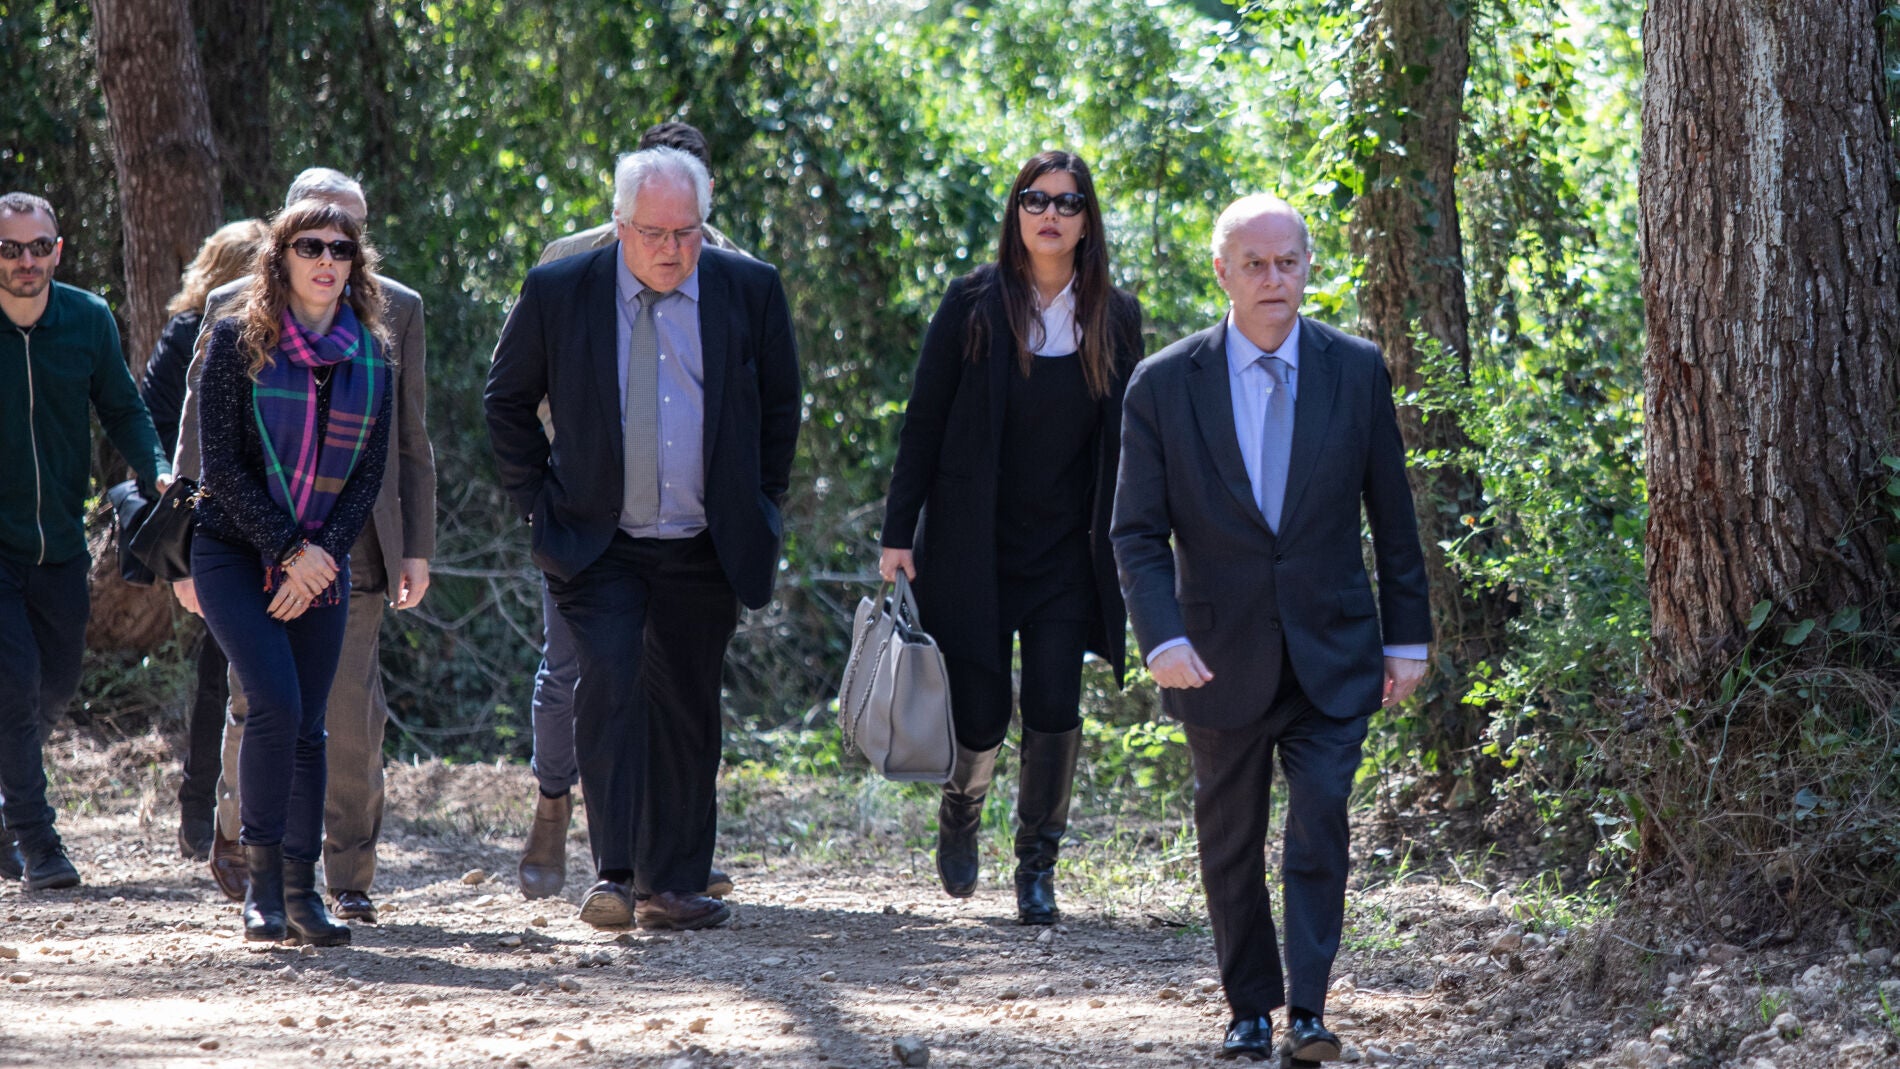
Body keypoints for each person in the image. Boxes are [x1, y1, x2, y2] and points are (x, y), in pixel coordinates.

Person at [1110, 194, 1432, 1062]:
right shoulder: (1164, 384)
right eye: (1254, 264)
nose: (1272, 278)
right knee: (1231, 839)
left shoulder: (1354, 370)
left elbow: (1392, 516)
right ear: (1222, 271)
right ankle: (1249, 1008)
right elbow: (1135, 532)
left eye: (1287, 261)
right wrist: (1161, 637)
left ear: (1307, 268)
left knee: (1321, 821)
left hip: (1334, 649)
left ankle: (1309, 1011)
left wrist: (1407, 638)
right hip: (1215, 656)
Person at [486, 146, 801, 931]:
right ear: (621, 225)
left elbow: (779, 407)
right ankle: (616, 874)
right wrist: (539, 504)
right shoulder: (561, 289)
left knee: (689, 702)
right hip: (600, 539)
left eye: (686, 232)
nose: (671, 249)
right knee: (612, 683)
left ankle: (674, 884)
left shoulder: (749, 288)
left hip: (704, 538)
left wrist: (759, 502)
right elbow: (506, 399)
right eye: (655, 233)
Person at [878, 151, 1140, 925]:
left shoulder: (1115, 316)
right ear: (1016, 213)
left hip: (1066, 553)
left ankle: (1037, 866)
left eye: (1067, 201)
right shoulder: (973, 304)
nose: (1050, 214)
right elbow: (923, 420)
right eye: (1035, 199)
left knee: (1056, 703)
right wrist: (898, 532)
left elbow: (1134, 443)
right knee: (982, 711)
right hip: (974, 546)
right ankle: (961, 808)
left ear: (1087, 220)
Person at [173, 169, 434, 922]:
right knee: (267, 703)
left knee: (324, 720)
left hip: (337, 551)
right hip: (238, 545)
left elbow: (386, 461)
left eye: (342, 246)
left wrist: (337, 554)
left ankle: (318, 884)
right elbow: (212, 457)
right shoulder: (235, 329)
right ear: (281, 250)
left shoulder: (379, 344)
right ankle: (252, 873)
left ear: (359, 256)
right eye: (311, 244)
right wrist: (282, 549)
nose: (327, 258)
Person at [518, 120, 746, 902]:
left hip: (687, 528)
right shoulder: (569, 261)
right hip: (586, 518)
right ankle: (553, 801)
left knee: (677, 685)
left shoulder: (733, 271)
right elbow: (521, 385)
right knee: (573, 672)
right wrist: (559, 487)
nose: (674, 236)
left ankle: (668, 856)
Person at [0, 192, 172, 890]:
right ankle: (38, 843)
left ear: (58, 251)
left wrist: (156, 468)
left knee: (56, 682)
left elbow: (124, 408)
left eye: (39, 247)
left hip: (62, 547)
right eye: (11, 249)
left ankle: (8, 807)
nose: (26, 261)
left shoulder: (87, 319)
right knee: (14, 683)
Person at [140, 217, 268, 861]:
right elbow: (158, 417)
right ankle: (201, 814)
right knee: (219, 673)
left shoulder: (294, 334)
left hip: (268, 526)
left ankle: (250, 816)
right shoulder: (193, 329)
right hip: (207, 521)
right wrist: (180, 485)